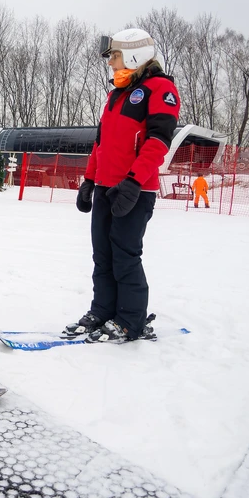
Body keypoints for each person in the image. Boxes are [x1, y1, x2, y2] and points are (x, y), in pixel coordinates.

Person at [65, 28, 181, 343]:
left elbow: (158, 141)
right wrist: (90, 179)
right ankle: (103, 311)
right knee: (102, 255)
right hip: (105, 187)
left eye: (114, 56)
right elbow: (101, 142)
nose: (110, 63)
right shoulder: (116, 93)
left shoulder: (160, 89)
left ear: (133, 55)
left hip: (135, 190)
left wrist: (133, 182)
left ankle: (131, 320)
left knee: (125, 256)